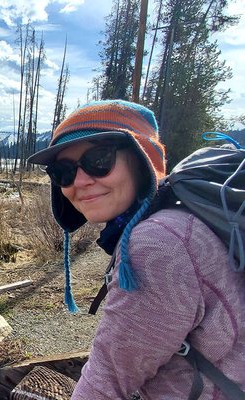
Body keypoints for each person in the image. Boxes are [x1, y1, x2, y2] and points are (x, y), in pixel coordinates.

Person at [26, 100, 245, 399]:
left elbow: (105, 385)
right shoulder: (181, 219)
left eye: (99, 159)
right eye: (62, 171)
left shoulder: (157, 245)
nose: (79, 180)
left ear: (143, 161)